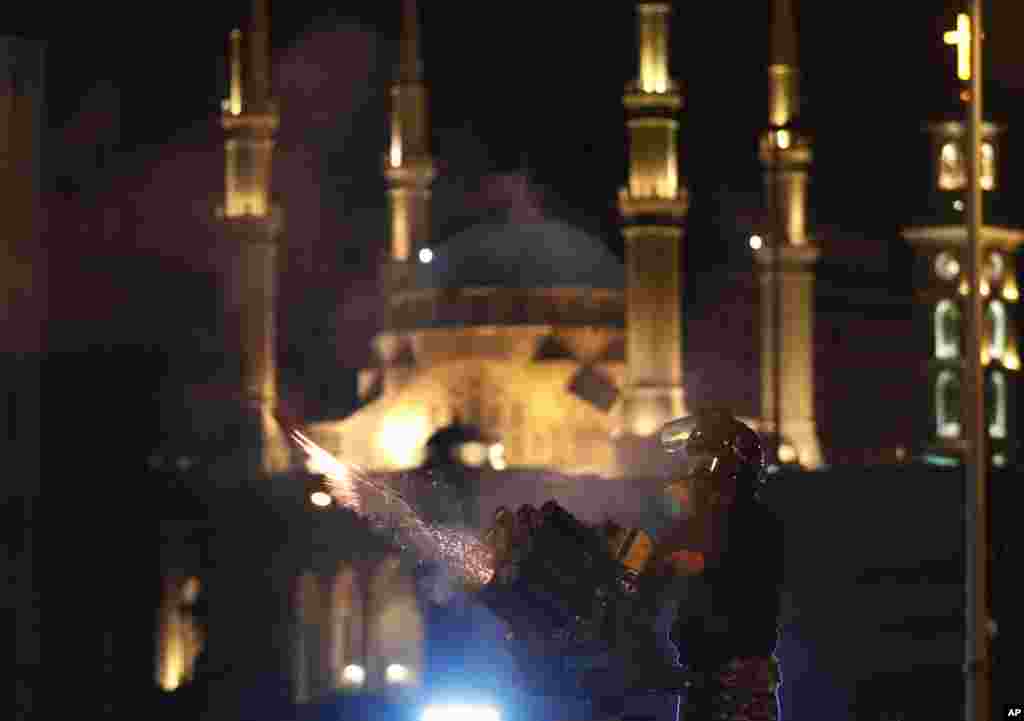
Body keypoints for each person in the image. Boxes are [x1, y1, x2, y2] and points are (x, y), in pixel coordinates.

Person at [645, 409, 784, 721]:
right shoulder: (696, 525)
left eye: (701, 465)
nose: (692, 476)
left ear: (728, 470)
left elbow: (736, 569)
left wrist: (691, 563)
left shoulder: (757, 525)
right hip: (701, 683)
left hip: (739, 692)